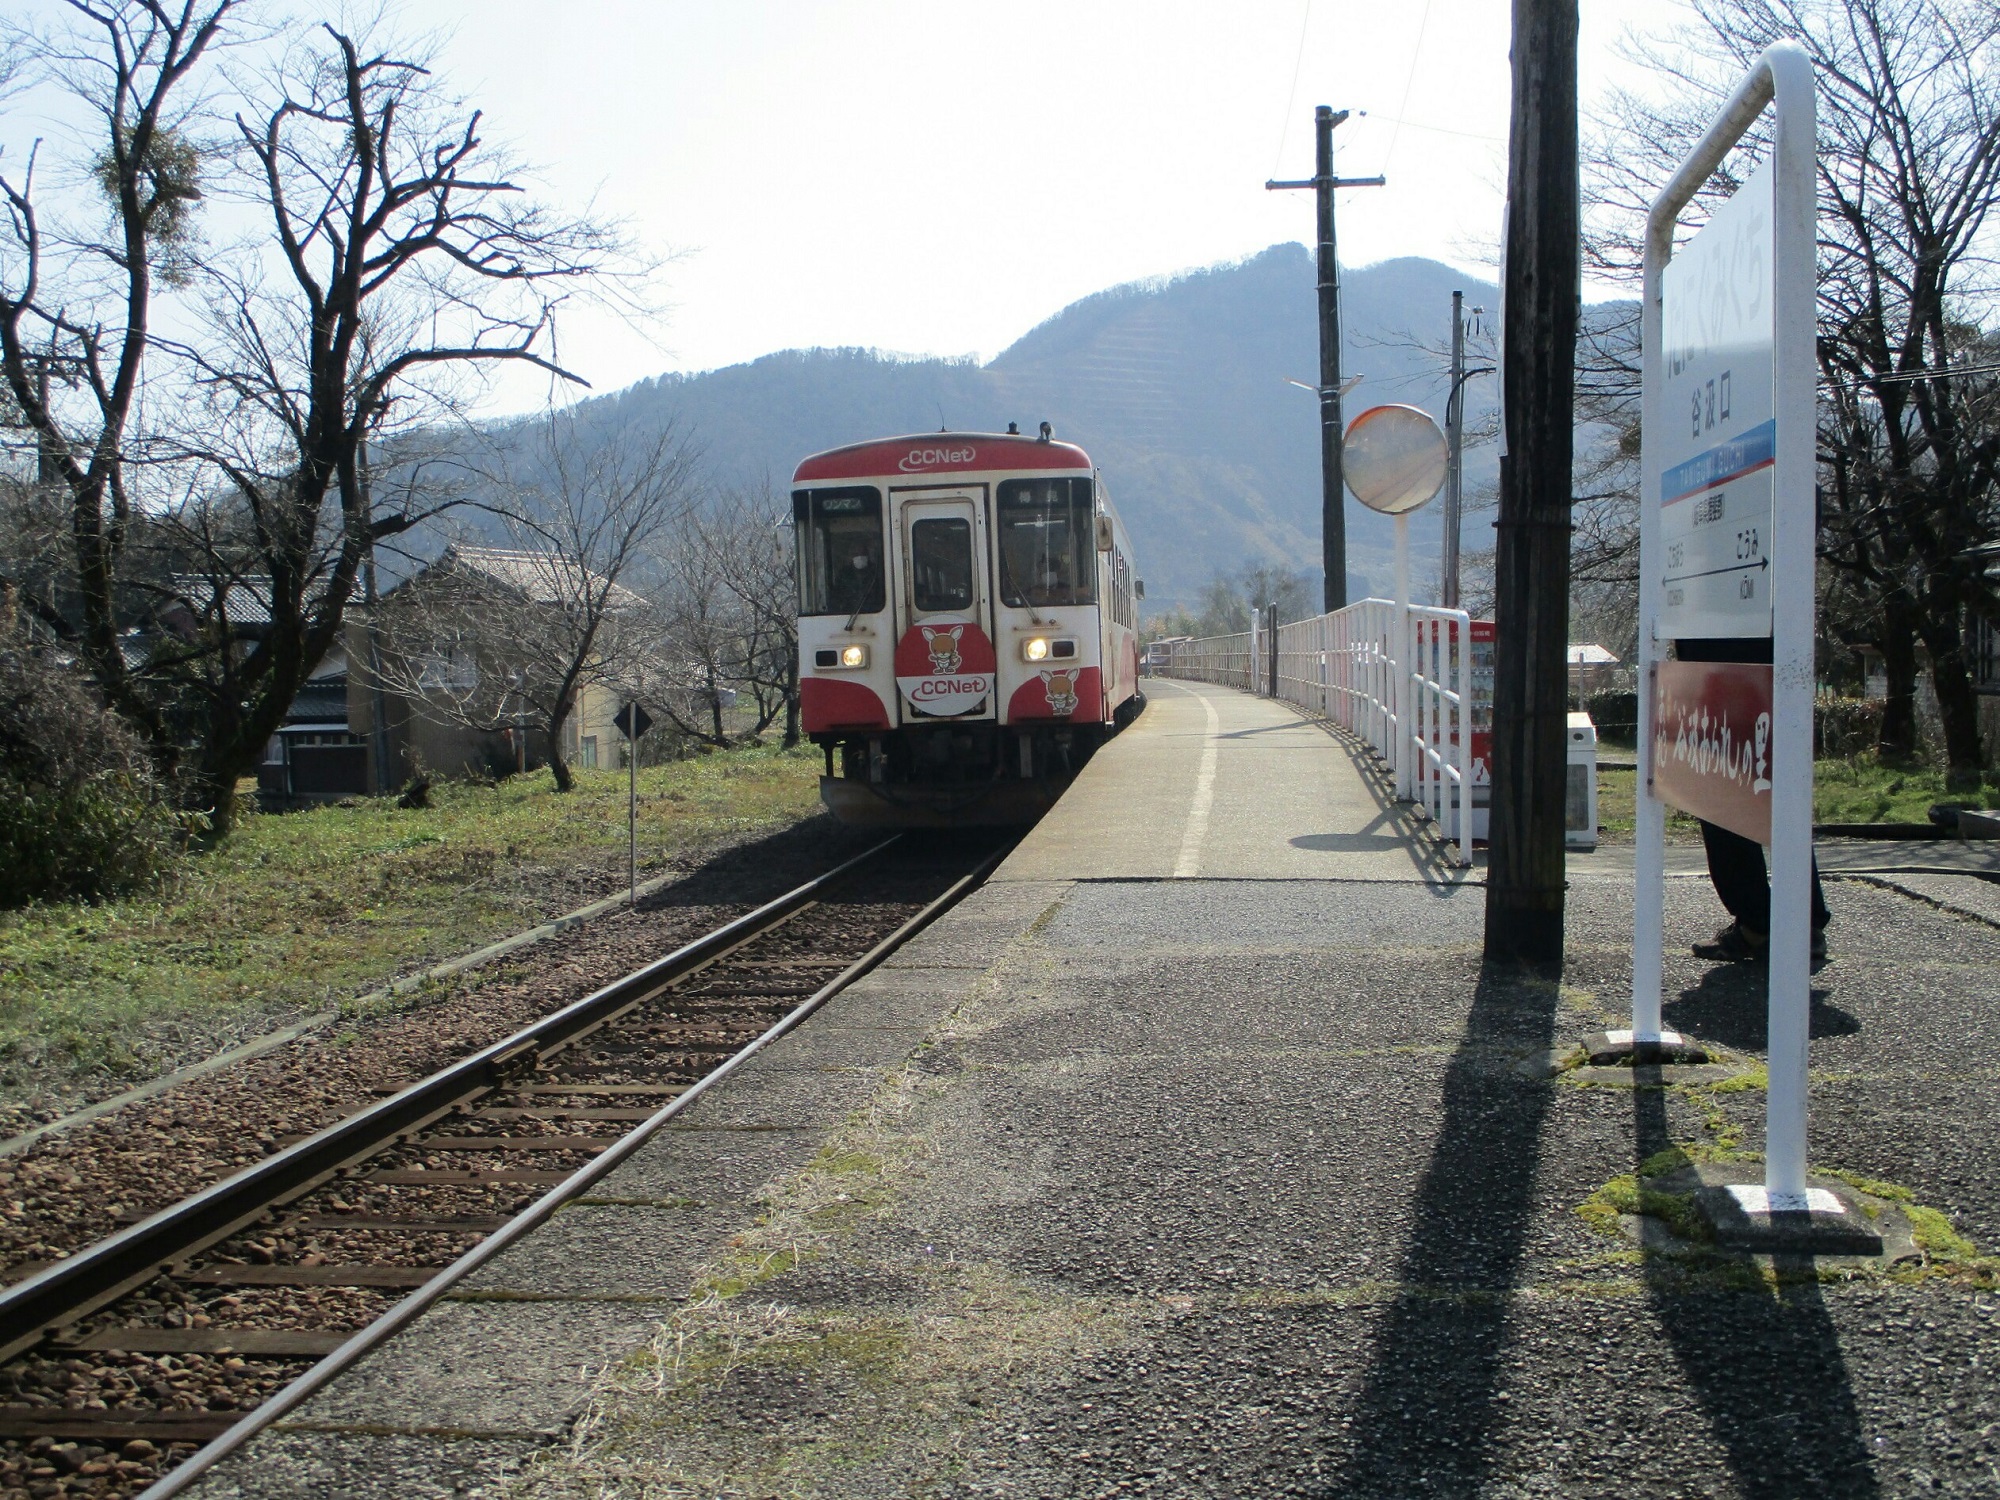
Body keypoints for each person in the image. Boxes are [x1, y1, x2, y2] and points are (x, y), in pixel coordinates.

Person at [1676, 636, 1830, 964]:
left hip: (1719, 656)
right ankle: (1805, 925)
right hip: (1776, 654)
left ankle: (1756, 923)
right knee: (1781, 797)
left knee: (1722, 795)